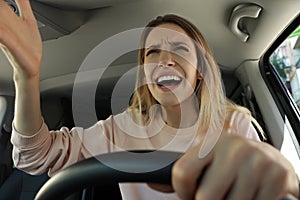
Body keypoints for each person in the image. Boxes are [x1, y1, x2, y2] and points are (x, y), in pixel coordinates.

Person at [0, 0, 299, 199]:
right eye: (153, 53)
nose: (164, 60)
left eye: (180, 50)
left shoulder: (235, 124)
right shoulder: (124, 128)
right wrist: (26, 76)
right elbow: (33, 157)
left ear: (199, 72)